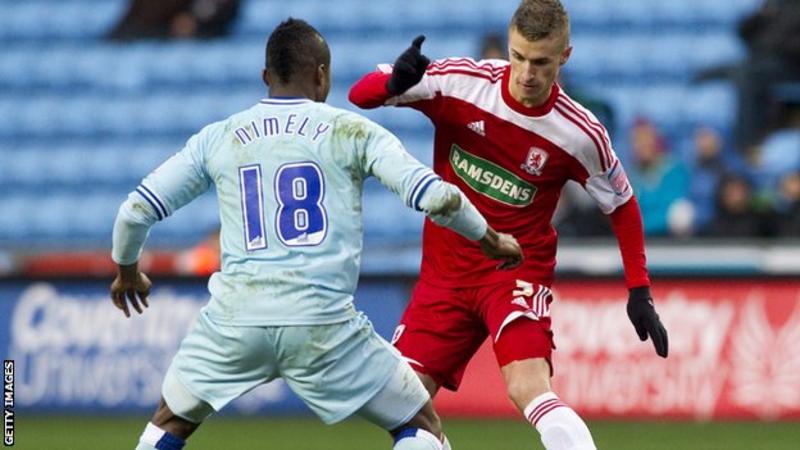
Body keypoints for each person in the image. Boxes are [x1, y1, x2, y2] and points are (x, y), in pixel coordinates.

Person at [110, 18, 523, 450]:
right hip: (323, 323)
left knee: (169, 422)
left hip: (236, 321)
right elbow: (437, 198)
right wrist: (490, 238)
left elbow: (134, 211)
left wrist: (127, 271)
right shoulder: (353, 131)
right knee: (419, 422)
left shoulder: (219, 138)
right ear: (322, 74)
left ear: (265, 76)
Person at [348, 1, 669, 449]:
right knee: (402, 406)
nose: (526, 73)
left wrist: (639, 289)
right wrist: (392, 83)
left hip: (515, 270)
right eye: (518, 56)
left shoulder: (580, 133)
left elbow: (622, 204)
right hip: (445, 274)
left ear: (564, 58)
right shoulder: (461, 83)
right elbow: (358, 95)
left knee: (527, 387)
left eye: (540, 62)